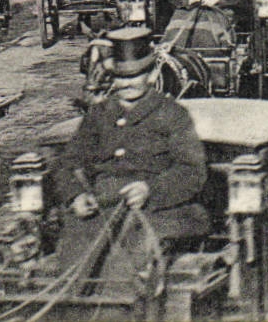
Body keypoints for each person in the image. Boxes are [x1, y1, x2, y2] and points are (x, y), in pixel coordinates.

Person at [57, 28, 207, 281]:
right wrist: (76, 195)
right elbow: (68, 162)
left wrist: (150, 190)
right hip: (102, 208)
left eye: (136, 75)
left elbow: (192, 171)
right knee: (71, 256)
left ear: (151, 74)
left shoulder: (172, 114)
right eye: (120, 76)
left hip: (158, 212)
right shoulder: (98, 115)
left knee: (129, 265)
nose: (127, 83)